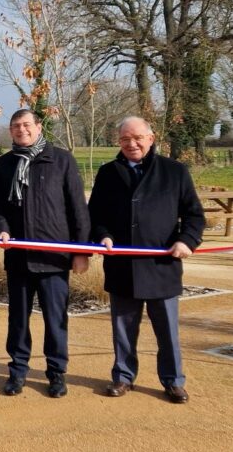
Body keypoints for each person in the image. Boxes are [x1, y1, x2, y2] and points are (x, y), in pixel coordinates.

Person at [88, 117, 205, 404]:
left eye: (138, 137)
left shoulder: (175, 172)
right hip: (122, 267)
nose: (132, 144)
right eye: (126, 139)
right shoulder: (107, 173)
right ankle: (123, 376)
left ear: (151, 138)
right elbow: (95, 216)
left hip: (161, 267)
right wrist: (102, 236)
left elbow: (194, 215)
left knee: (167, 332)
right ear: (119, 142)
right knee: (123, 330)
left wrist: (186, 240)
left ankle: (173, 381)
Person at [0, 109, 89, 398]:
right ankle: (17, 371)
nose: (22, 130)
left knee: (55, 319)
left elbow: (77, 208)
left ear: (38, 126)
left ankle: (56, 373)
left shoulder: (61, 160)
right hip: (19, 257)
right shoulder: (5, 165)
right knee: (18, 319)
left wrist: (82, 251)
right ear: (11, 131)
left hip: (54, 257)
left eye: (26, 124)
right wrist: (2, 230)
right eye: (16, 126)